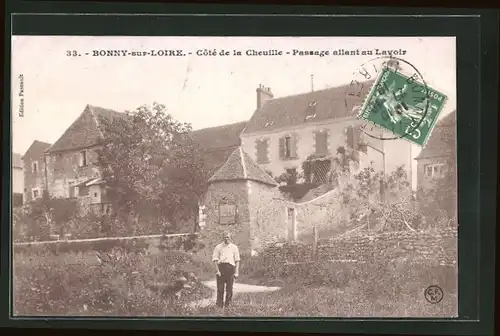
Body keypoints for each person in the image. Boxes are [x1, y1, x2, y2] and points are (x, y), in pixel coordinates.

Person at [212, 232, 240, 308]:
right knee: (220, 289)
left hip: (230, 269)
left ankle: (228, 306)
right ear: (222, 238)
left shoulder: (234, 247)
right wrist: (217, 271)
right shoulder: (218, 247)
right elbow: (215, 260)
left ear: (230, 238)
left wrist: (236, 272)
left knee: (229, 289)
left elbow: (237, 260)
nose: (226, 239)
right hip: (221, 268)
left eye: (228, 237)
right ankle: (219, 306)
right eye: (225, 237)